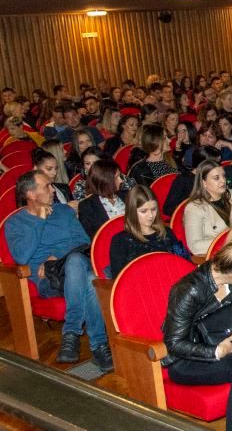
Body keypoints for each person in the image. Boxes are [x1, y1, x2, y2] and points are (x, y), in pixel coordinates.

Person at [6, 171, 114, 372]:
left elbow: (83, 241)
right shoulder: (15, 223)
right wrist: (39, 221)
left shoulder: (64, 211)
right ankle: (99, 346)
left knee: (79, 265)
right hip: (49, 280)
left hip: (73, 266)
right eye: (46, 186)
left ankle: (71, 334)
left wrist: (56, 255)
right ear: (31, 194)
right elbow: (22, 256)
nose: (53, 190)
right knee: (91, 279)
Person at [162, 242, 232, 431]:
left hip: (226, 340)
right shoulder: (188, 290)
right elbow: (174, 344)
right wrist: (215, 351)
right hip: (189, 359)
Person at [109, 185, 190, 278]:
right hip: (142, 285)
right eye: (144, 211)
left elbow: (185, 262)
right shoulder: (120, 241)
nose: (150, 215)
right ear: (132, 211)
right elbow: (119, 279)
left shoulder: (167, 233)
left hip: (173, 281)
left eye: (154, 209)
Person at [183, 159, 232, 255]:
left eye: (223, 176)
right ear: (203, 183)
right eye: (216, 178)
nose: (223, 181)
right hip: (220, 254)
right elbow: (195, 246)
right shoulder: (195, 208)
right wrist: (231, 240)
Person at [77, 158, 127, 238]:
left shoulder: (127, 195)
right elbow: (92, 237)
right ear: (105, 181)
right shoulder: (87, 206)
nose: (121, 181)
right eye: (116, 177)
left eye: (120, 176)